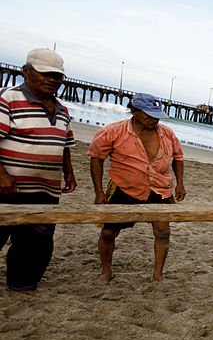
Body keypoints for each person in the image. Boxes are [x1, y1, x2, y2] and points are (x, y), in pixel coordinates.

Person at [0, 48, 77, 292]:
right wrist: (1, 176)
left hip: (45, 189)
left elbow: (64, 144)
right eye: (45, 74)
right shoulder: (7, 99)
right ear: (26, 72)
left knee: (37, 241)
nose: (51, 80)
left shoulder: (62, 109)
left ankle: (22, 284)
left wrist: (69, 172)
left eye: (57, 76)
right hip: (6, 187)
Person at [88, 93, 186, 284]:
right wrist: (99, 192)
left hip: (160, 189)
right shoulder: (112, 132)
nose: (153, 119)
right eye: (148, 114)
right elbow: (96, 158)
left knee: (162, 232)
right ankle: (106, 271)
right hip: (124, 187)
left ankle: (158, 274)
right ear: (134, 111)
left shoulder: (167, 133)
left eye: (156, 115)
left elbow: (178, 158)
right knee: (109, 232)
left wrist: (180, 183)